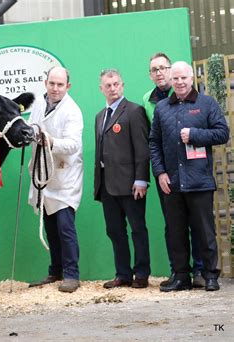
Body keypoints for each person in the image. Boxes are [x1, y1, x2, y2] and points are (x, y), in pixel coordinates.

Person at [149, 61, 229, 292]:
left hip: (199, 180)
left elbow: (222, 133)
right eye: (176, 78)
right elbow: (153, 143)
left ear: (192, 78)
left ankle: (210, 275)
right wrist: (160, 172)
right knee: (176, 232)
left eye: (184, 78)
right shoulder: (162, 108)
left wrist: (194, 134)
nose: (180, 82)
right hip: (172, 183)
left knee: (205, 231)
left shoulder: (206, 103)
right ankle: (181, 276)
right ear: (171, 81)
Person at [142, 53, 204, 288]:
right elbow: (152, 139)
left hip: (191, 166)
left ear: (172, 70)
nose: (159, 73)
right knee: (173, 224)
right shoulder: (147, 99)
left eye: (162, 68)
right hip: (167, 172)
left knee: (196, 221)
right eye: (154, 70)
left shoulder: (187, 93)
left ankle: (199, 270)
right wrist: (159, 171)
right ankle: (178, 272)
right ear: (150, 74)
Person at [27, 66, 83, 293]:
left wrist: (50, 141)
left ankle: (72, 275)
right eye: (52, 83)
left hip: (65, 177)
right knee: (50, 226)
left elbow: (73, 145)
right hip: (44, 174)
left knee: (65, 227)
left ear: (67, 86)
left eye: (60, 85)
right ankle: (55, 271)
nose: (55, 88)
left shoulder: (72, 110)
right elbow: (32, 124)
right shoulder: (40, 103)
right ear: (45, 83)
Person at [94, 69, 151, 289]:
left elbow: (142, 149)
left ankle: (142, 273)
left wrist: (141, 180)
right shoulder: (100, 116)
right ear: (101, 89)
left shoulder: (134, 111)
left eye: (116, 84)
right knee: (115, 231)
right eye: (108, 85)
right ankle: (123, 274)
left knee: (138, 229)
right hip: (107, 185)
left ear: (122, 85)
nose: (112, 88)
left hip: (131, 185)